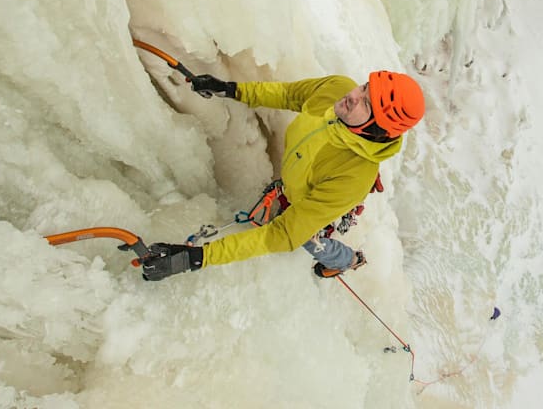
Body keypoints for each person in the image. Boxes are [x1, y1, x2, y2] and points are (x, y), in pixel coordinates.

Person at [140, 71, 424, 281]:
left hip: (315, 205)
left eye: (367, 104)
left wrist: (197, 257)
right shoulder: (337, 89)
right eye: (364, 88)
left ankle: (347, 260)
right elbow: (288, 95)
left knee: (310, 241)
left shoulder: (351, 177)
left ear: (376, 129)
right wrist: (228, 89)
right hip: (295, 180)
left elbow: (283, 234)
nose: (352, 97)